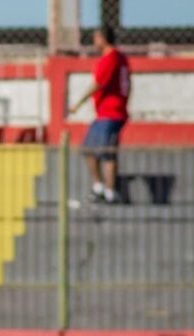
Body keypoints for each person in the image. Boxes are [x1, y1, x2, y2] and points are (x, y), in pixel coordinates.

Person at [69, 25, 130, 205]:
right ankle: (99, 187)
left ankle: (110, 192)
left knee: (107, 152)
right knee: (90, 149)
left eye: (96, 38)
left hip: (111, 113)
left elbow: (98, 83)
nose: (94, 41)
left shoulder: (110, 58)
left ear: (103, 39)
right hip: (107, 112)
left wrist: (78, 103)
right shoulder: (120, 58)